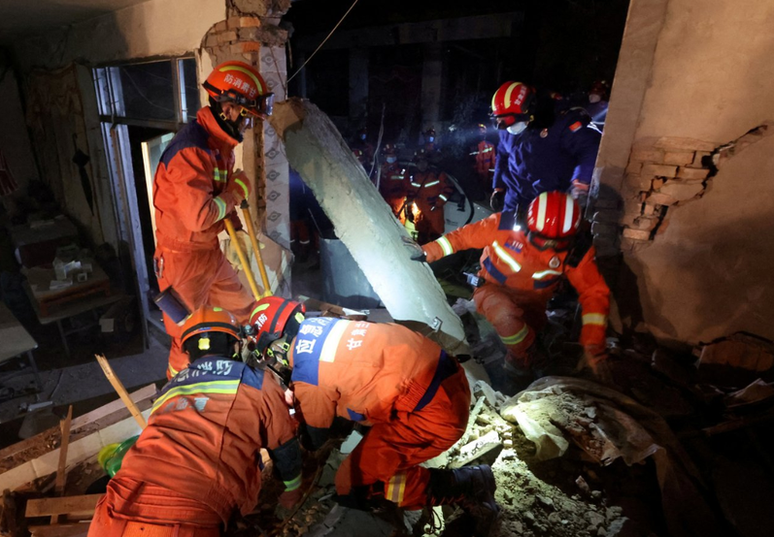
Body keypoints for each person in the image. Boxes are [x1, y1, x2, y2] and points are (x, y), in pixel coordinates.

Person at [247, 297, 499, 533]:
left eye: (270, 354)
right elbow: (343, 374)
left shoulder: (308, 377)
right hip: (447, 379)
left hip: (435, 414)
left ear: (277, 344)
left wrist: (297, 420)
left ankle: (469, 485)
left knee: (354, 482)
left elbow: (314, 437)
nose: (276, 360)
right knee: (357, 411)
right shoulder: (325, 324)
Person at [89, 307, 302, 537]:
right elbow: (284, 444)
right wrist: (292, 490)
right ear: (235, 345)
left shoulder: (169, 390)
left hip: (117, 501)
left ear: (188, 352)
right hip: (188, 511)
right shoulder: (256, 381)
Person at [417, 191, 611, 391]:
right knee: (506, 318)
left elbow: (594, 293)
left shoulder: (576, 250)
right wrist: (427, 251)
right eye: (542, 239)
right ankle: (528, 360)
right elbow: (461, 238)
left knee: (521, 339)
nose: (549, 246)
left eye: (557, 243)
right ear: (527, 223)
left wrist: (593, 345)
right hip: (491, 291)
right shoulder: (504, 225)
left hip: (534, 305)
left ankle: (518, 369)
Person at [152, 60, 274, 378]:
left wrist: (231, 214)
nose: (247, 127)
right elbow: (200, 216)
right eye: (247, 118)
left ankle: (258, 368)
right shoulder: (190, 151)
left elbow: (215, 197)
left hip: (208, 254)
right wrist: (236, 191)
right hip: (181, 262)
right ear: (229, 108)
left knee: (244, 309)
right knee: (186, 338)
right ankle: (179, 391)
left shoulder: (219, 146)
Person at [489, 81, 601, 213]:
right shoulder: (506, 128)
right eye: (502, 122)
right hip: (513, 201)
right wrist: (498, 187)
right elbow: (502, 154)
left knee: (541, 234)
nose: (509, 128)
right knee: (505, 233)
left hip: (550, 203)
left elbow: (589, 148)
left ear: (530, 109)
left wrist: (581, 182)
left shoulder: (560, 122)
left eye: (511, 121)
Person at [406, 150, 455, 244]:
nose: (422, 165)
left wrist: (438, 203)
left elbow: (448, 189)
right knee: (421, 239)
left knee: (435, 239)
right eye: (419, 162)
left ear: (428, 162)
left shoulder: (437, 174)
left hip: (434, 212)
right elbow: (411, 193)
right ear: (416, 164)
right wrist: (409, 210)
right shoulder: (414, 176)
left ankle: (436, 258)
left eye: (424, 162)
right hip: (420, 213)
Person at [377, 143, 409, 224]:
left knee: (398, 222)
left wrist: (402, 197)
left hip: (398, 200)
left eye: (392, 155)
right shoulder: (380, 169)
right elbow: (375, 184)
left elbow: (407, 187)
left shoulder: (402, 171)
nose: (391, 157)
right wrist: (381, 173)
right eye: (389, 155)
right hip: (383, 199)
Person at [471, 123, 497, 193]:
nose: (481, 132)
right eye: (479, 130)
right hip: (475, 175)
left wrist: (492, 175)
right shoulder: (472, 145)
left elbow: (493, 162)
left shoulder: (490, 145)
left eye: (483, 130)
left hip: (486, 175)